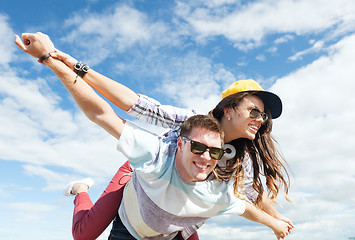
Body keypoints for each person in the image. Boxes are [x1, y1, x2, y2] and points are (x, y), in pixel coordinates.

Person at [15, 32, 293, 239]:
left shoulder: (239, 157)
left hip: (174, 217)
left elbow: (249, 196)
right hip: (142, 180)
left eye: (264, 116)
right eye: (255, 112)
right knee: (84, 235)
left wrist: (278, 219)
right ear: (229, 110)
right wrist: (72, 65)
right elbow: (131, 104)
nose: (261, 120)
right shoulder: (190, 124)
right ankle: (80, 190)